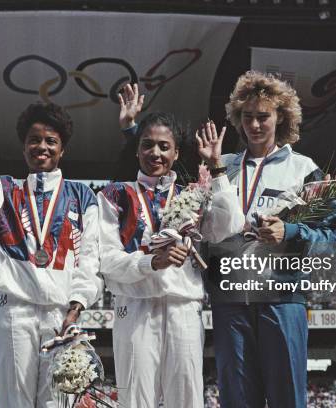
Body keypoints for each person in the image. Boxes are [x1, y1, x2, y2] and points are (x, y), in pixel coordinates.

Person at [0, 64, 102, 408]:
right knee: (14, 403)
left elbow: (90, 257)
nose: (41, 146)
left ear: (63, 149)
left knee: (59, 403)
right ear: (23, 146)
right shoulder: (0, 191)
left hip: (62, 316)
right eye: (34, 140)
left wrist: (79, 302)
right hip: (15, 316)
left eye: (50, 141)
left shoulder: (82, 196)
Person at [97, 85, 244, 408]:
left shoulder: (195, 193)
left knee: (187, 399)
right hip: (135, 306)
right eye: (147, 145)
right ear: (137, 150)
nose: (156, 153)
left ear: (177, 153)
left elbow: (230, 225)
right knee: (135, 400)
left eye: (165, 146)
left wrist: (218, 167)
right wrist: (152, 262)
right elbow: (107, 260)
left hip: (183, 306)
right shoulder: (113, 195)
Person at [209, 71, 336, 408]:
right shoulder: (219, 168)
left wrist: (290, 232)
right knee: (236, 399)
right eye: (247, 116)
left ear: (280, 116)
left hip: (281, 300)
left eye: (263, 116)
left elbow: (332, 238)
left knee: (287, 398)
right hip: (231, 301)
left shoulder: (303, 170)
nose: (254, 125)